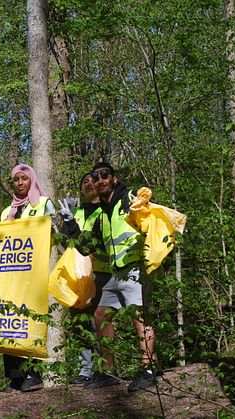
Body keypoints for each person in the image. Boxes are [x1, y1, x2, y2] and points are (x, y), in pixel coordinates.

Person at [84, 162, 156, 392]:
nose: (100, 180)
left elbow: (152, 221)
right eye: (96, 177)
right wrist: (68, 225)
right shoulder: (101, 214)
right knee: (100, 315)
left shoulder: (130, 201)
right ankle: (107, 371)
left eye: (105, 175)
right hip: (115, 273)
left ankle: (148, 369)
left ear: (113, 179)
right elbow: (87, 247)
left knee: (139, 317)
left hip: (134, 269)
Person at [0, 163, 55, 392]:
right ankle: (15, 376)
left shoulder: (43, 203)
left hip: (35, 272)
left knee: (30, 322)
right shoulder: (7, 211)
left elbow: (54, 228)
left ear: (31, 179)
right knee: (8, 322)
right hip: (10, 275)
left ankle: (33, 373)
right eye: (16, 180)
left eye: (24, 179)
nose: (20, 183)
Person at [58, 172, 112, 385]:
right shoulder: (76, 212)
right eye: (84, 182)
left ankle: (104, 368)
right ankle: (85, 369)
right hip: (77, 274)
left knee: (100, 321)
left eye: (92, 181)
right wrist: (64, 220)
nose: (89, 184)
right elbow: (64, 241)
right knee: (79, 322)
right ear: (80, 189)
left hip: (100, 271)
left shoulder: (105, 210)